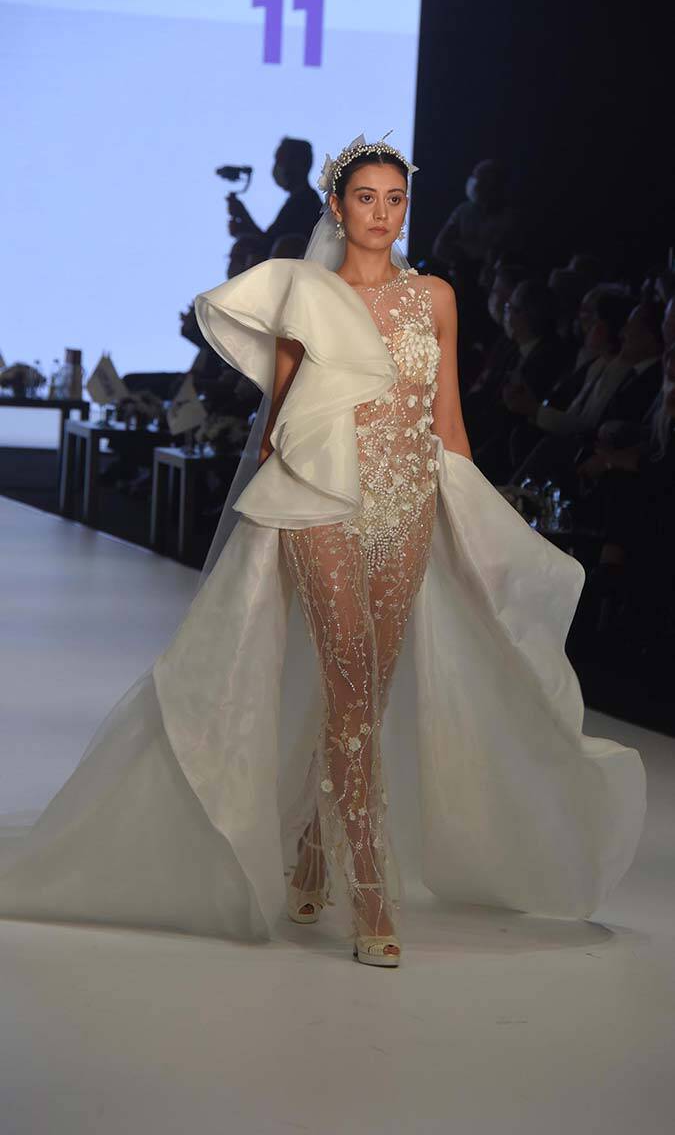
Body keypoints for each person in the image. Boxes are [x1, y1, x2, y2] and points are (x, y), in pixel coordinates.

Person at [0, 132, 647, 970]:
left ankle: (312, 843)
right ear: (336, 207)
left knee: (368, 687)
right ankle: (369, 891)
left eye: (394, 199)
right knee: (347, 679)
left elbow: (449, 426)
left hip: (409, 503)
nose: (381, 213)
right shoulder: (304, 294)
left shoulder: (436, 298)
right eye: (365, 198)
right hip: (320, 505)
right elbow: (279, 428)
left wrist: (477, 523)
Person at [227, 137, 321, 258]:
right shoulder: (299, 199)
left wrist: (244, 217)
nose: (278, 167)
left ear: (299, 164)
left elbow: (270, 245)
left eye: (281, 160)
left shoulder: (305, 202)